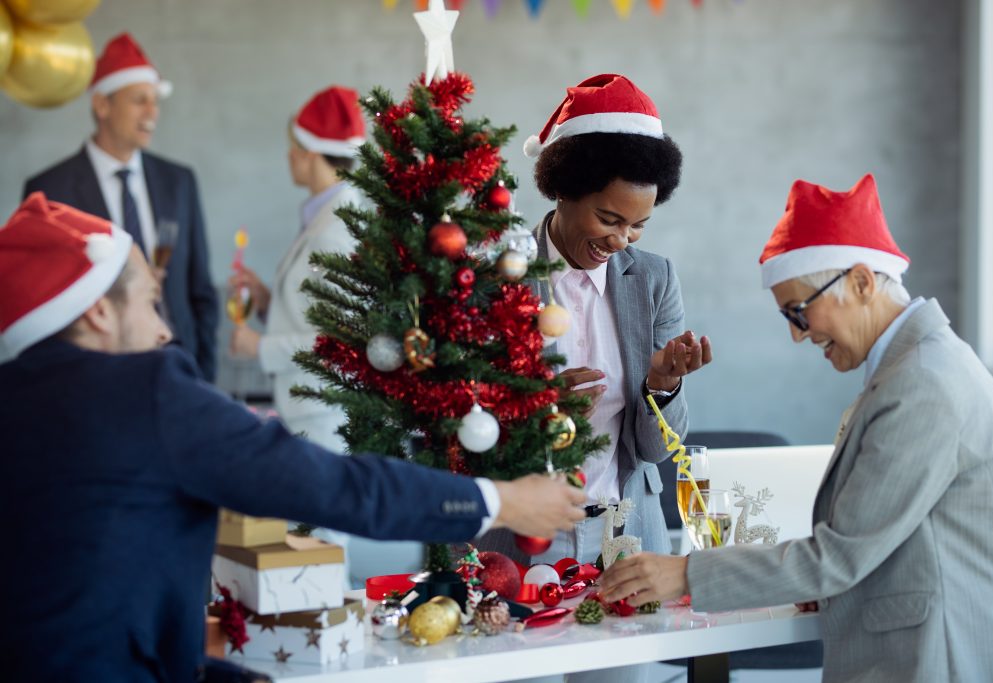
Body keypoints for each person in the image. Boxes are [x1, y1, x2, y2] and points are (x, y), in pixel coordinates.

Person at [0, 193, 586, 683]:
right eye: (151, 303)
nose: (162, 330)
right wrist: (500, 500)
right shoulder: (146, 389)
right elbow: (336, 486)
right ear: (98, 313)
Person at [601, 174, 993, 682]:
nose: (798, 336)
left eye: (798, 312)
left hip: (941, 657)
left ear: (864, 283)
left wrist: (685, 573)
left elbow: (838, 556)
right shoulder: (916, 368)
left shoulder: (924, 383)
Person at [482, 74, 712, 573]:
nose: (623, 239)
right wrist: (538, 408)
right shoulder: (498, 273)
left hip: (631, 535)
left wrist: (664, 386)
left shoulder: (654, 279)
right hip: (518, 538)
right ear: (563, 189)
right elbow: (460, 424)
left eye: (638, 225)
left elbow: (654, 451)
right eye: (609, 219)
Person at [23, 32, 219, 381]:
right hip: (93, 376)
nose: (152, 112)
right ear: (102, 105)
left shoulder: (179, 181)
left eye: (155, 100)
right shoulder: (49, 189)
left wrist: (204, 376)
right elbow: (41, 300)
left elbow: (200, 290)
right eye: (139, 100)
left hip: (179, 371)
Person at [229, 85, 365, 451]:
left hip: (323, 420)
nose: (288, 156)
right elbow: (316, 313)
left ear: (309, 153)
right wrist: (265, 302)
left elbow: (341, 341)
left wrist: (260, 346)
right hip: (313, 413)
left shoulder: (337, 229)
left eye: (294, 146)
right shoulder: (327, 216)